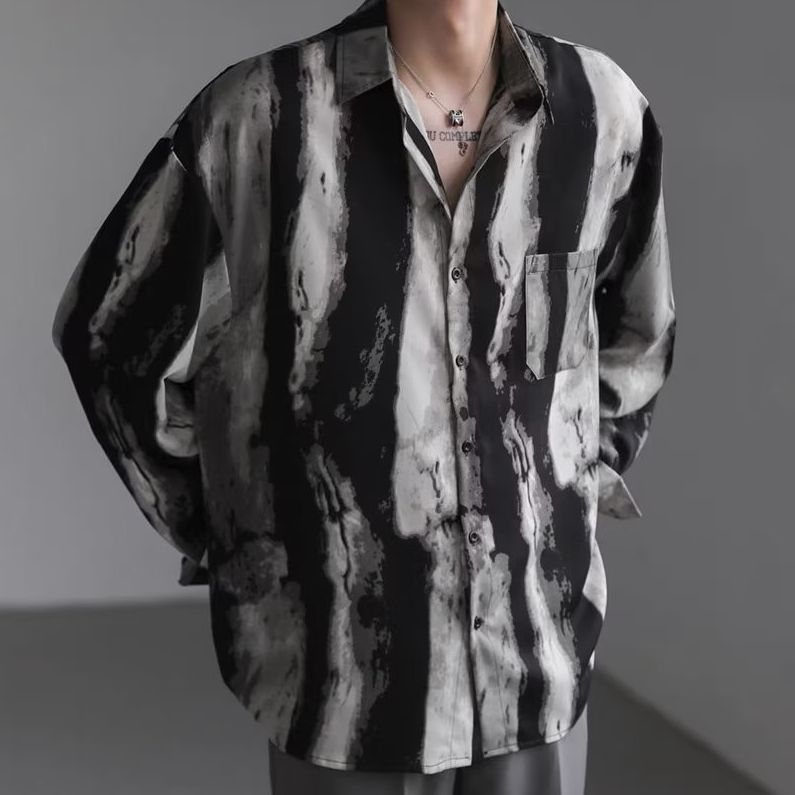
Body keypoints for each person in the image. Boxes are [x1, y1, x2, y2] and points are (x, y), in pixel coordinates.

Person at [50, 0, 676, 792]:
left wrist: (564, 496)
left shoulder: (601, 112)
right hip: (340, 681)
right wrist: (239, 528)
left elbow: (634, 337)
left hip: (534, 665)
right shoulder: (258, 120)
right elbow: (111, 336)